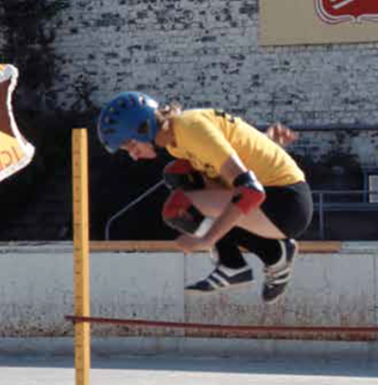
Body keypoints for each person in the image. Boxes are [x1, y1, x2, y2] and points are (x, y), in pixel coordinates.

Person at [96, 92, 312, 304]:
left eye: (129, 146)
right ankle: (246, 259)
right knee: (179, 174)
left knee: (180, 208)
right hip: (277, 194)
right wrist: (266, 141)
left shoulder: (189, 130)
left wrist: (207, 240)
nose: (133, 155)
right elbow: (234, 153)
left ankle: (264, 256)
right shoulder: (177, 140)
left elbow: (251, 190)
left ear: (143, 128)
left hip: (286, 204)